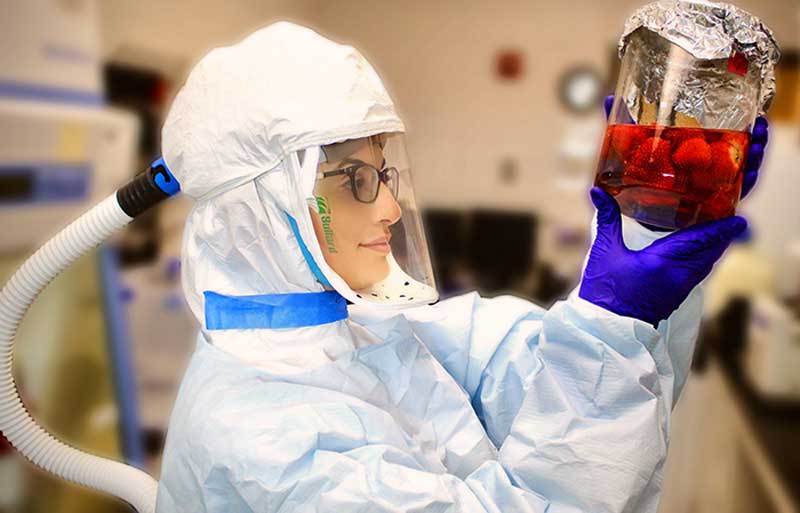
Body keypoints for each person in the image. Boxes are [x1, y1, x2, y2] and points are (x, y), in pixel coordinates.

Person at [155, 22, 768, 513]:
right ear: (261, 209)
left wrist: (655, 222)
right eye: (356, 180)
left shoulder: (361, 337)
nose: (391, 208)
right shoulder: (264, 440)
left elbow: (583, 390)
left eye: (383, 172)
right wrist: (610, 323)